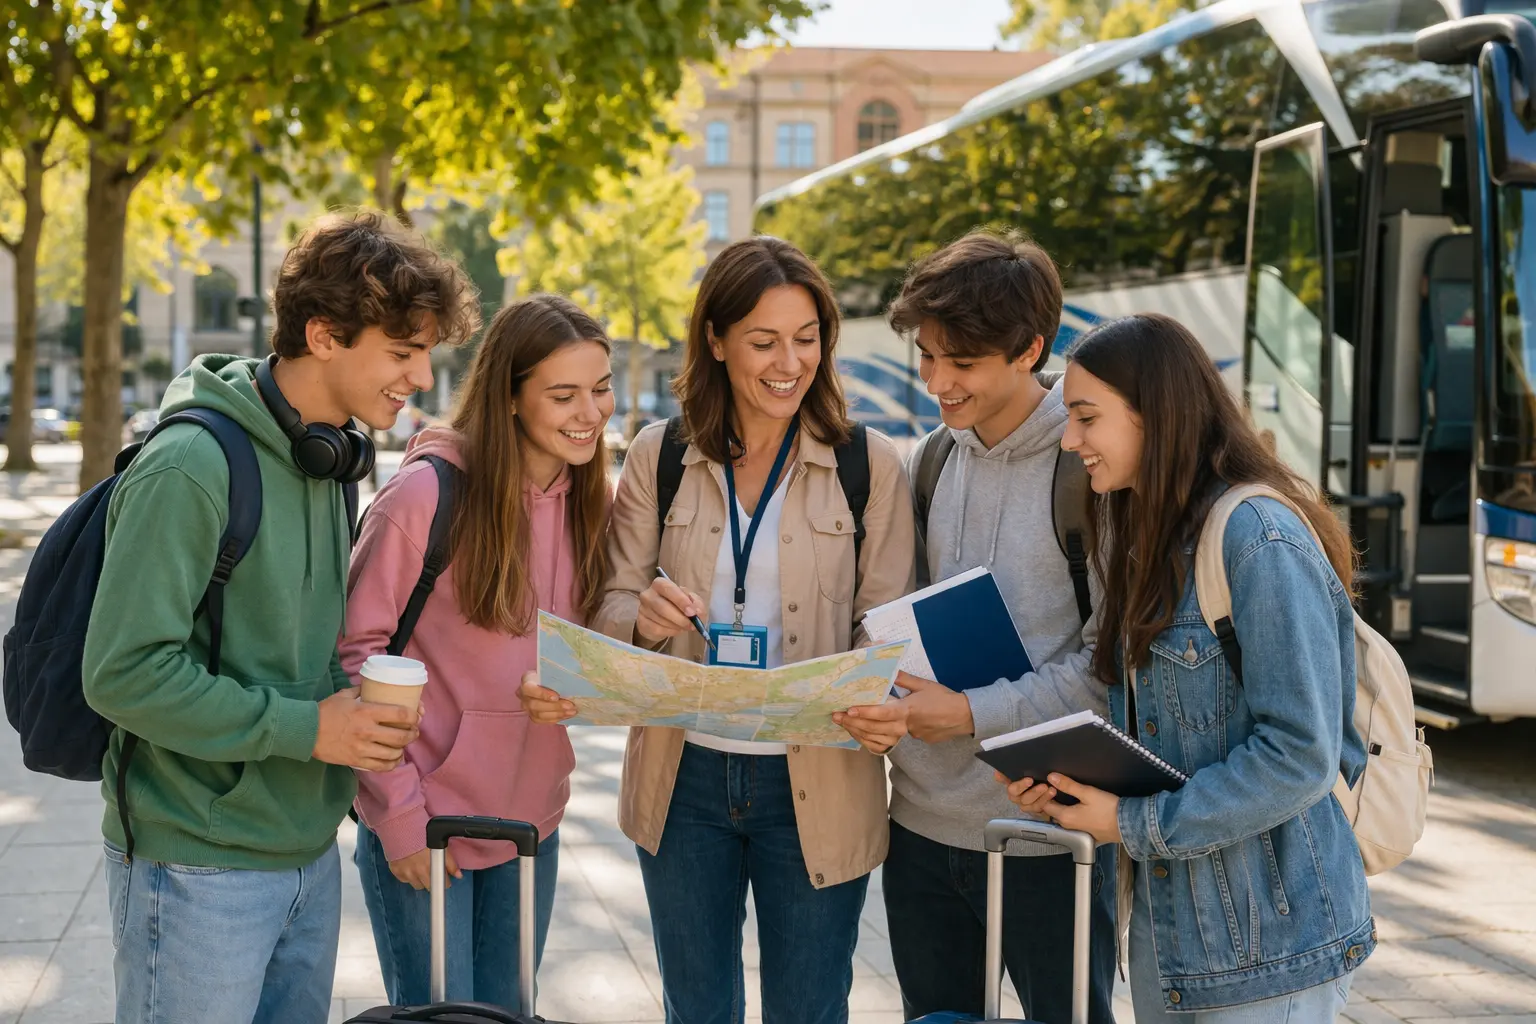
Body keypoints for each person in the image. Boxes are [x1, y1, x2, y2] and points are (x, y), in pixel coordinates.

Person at [82, 210, 480, 1024]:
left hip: (306, 853)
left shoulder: (328, 458)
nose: (421, 379)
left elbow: (299, 646)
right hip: (195, 865)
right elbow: (121, 675)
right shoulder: (191, 466)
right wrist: (311, 730)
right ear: (324, 333)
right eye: (402, 353)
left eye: (427, 354)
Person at [521, 236, 916, 1024]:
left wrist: (882, 692)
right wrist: (641, 614)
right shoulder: (657, 455)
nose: (788, 362)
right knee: (695, 1009)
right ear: (715, 339)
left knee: (809, 1009)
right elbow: (607, 606)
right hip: (685, 780)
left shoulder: (870, 465)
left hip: (818, 784)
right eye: (764, 341)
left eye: (807, 340)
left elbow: (891, 628)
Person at [1003, 313, 1374, 1022]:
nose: (1069, 437)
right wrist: (1070, 788)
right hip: (1169, 940)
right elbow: (1156, 739)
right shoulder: (1143, 531)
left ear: (1157, 416)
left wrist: (1134, 823)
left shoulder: (1257, 538)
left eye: (1086, 417)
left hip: (1274, 948)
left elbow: (1300, 755)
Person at [833, 230, 1117, 1023]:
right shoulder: (929, 460)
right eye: (926, 357)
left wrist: (964, 713)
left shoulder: (1087, 470)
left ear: (1030, 350)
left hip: (1048, 832)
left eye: (961, 363)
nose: (936, 382)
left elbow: (1111, 664)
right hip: (922, 829)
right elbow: (897, 620)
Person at [340, 294, 614, 1006]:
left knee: (509, 1014)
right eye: (564, 394)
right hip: (429, 824)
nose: (590, 412)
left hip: (531, 823)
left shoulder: (589, 501)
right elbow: (354, 655)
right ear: (511, 397)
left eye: (601, 389)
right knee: (443, 1016)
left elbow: (591, 645)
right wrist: (398, 817)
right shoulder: (424, 498)